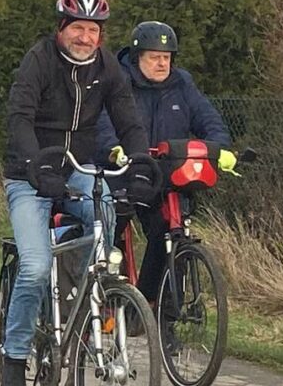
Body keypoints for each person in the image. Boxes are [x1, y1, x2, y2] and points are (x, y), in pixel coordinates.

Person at [0, 0, 153, 386]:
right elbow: (19, 117)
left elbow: (128, 119)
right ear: (61, 28)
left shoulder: (107, 66)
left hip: (78, 171)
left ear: (101, 36)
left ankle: (83, 311)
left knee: (106, 220)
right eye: (78, 28)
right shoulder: (39, 59)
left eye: (93, 30)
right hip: (29, 175)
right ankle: (14, 353)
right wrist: (35, 165)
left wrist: (140, 162)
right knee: (35, 266)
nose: (85, 37)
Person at [96, 21, 234, 308]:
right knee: (112, 226)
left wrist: (219, 148)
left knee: (168, 228)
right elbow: (104, 121)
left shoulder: (182, 83)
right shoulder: (118, 82)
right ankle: (107, 294)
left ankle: (151, 302)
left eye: (167, 57)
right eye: (154, 57)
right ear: (137, 58)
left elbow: (208, 119)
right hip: (125, 172)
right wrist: (114, 148)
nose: (162, 63)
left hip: (166, 175)